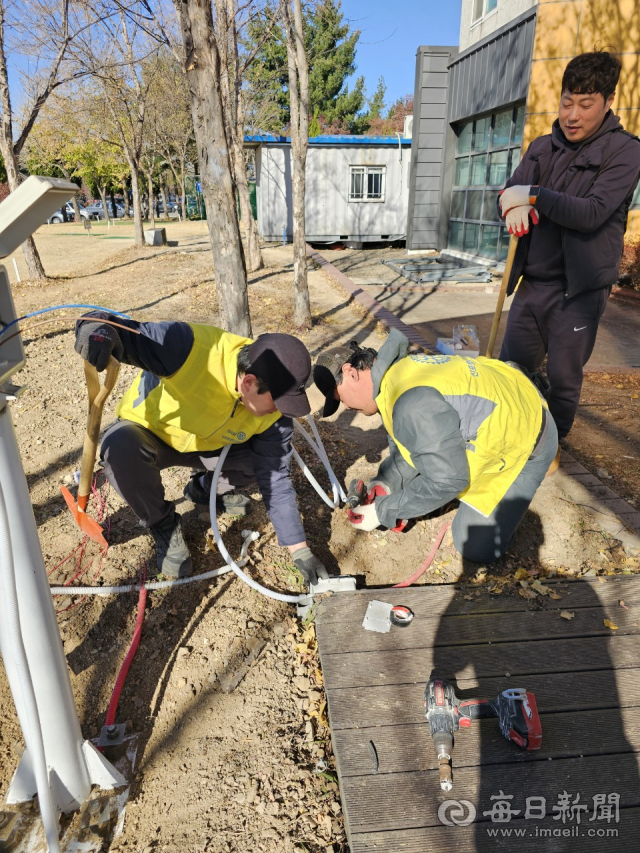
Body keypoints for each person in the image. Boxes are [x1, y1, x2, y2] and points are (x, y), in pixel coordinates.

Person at [74, 313, 328, 586]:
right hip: (150, 433)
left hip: (209, 445)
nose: (280, 411)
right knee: (119, 449)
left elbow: (275, 477)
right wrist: (95, 328)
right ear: (248, 382)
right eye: (276, 401)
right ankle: (164, 525)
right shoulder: (191, 349)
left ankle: (204, 489)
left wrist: (300, 549)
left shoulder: (274, 410)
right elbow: (119, 330)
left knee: (258, 464)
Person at [313, 332, 557, 564]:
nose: (344, 406)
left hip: (530, 433)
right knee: (420, 473)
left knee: (473, 544)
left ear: (350, 372)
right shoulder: (396, 376)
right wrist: (386, 482)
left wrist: (382, 511)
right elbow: (410, 447)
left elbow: (448, 481)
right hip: (509, 392)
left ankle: (508, 515)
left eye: (339, 398)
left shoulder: (411, 404)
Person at [498, 50, 640, 443]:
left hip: (579, 290)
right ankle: (504, 434)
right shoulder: (543, 147)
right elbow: (511, 192)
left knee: (563, 378)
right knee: (509, 367)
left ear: (608, 102)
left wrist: (533, 196)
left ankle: (551, 446)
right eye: (566, 102)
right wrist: (508, 205)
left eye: (585, 104)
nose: (572, 115)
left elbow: (591, 213)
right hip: (534, 282)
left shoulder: (626, 151)